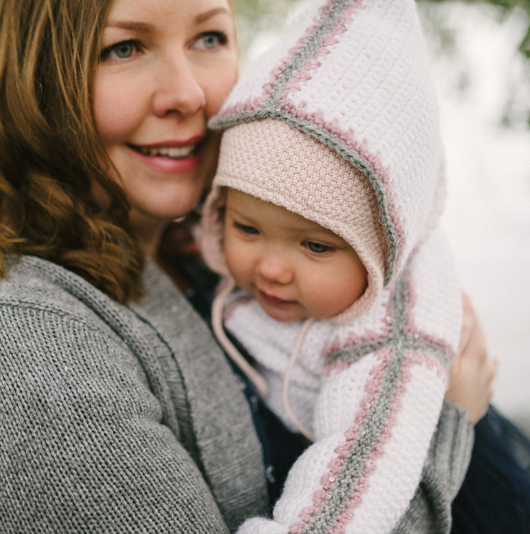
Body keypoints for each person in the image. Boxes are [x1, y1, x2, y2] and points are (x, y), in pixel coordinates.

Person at [0, 0, 495, 531]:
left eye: (209, 38)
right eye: (123, 48)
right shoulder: (11, 358)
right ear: (30, 81)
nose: (189, 94)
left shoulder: (209, 251)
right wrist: (442, 431)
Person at [199, 0, 530, 532]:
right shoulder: (245, 257)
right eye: (246, 229)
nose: (272, 269)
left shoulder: (393, 336)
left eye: (316, 247)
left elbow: (363, 464)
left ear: (385, 246)